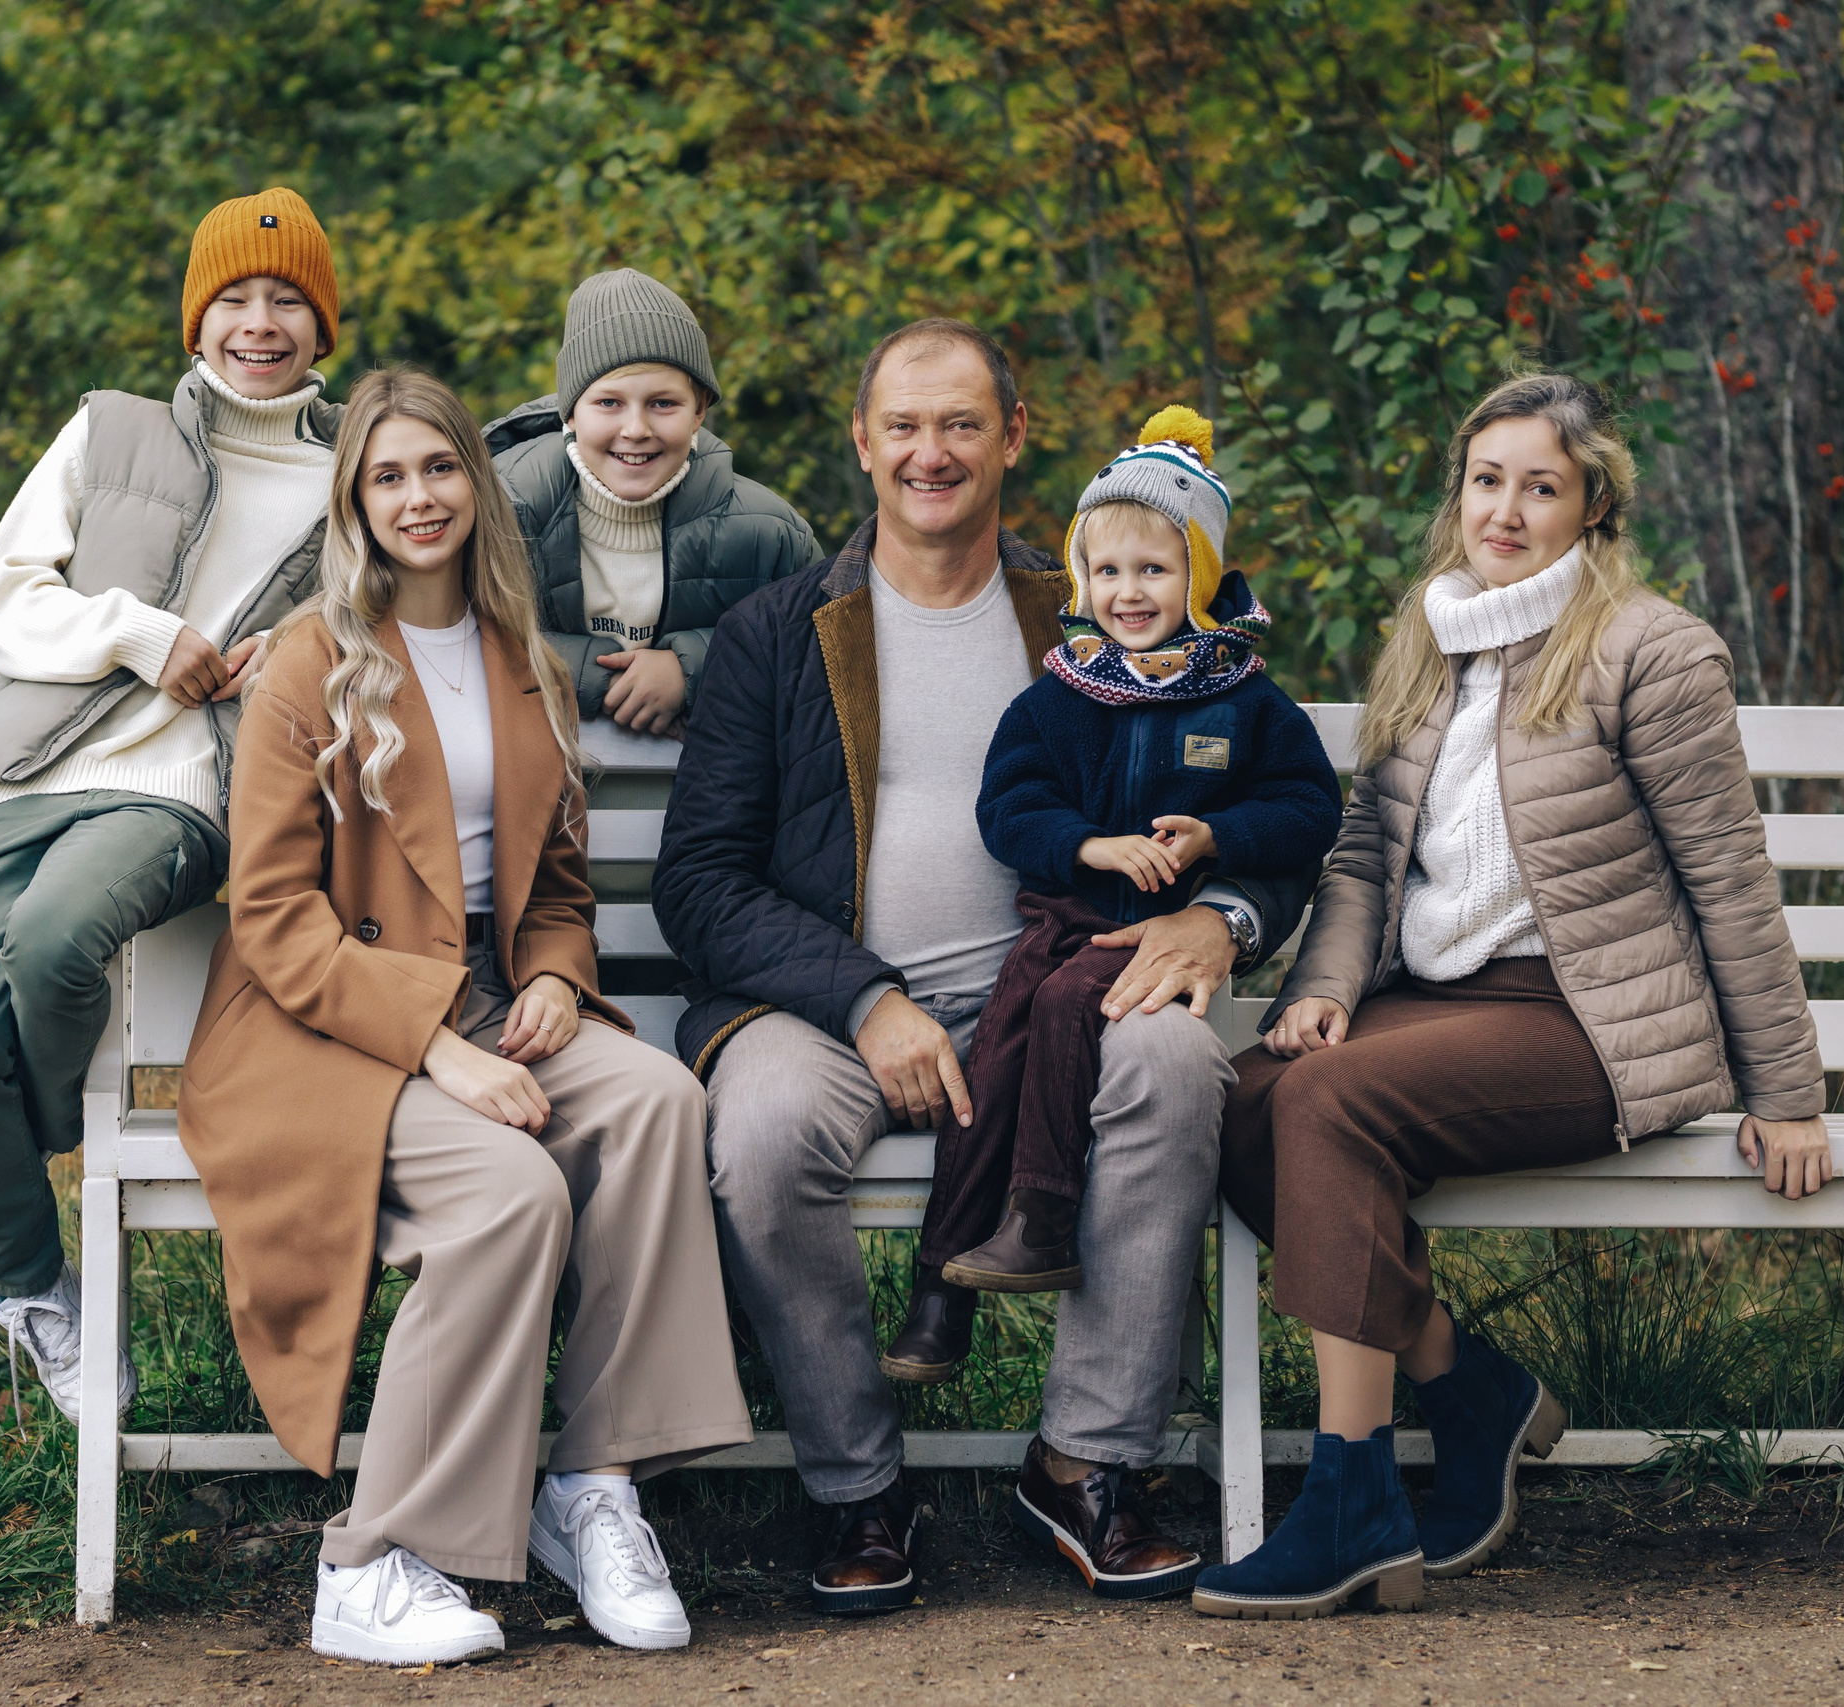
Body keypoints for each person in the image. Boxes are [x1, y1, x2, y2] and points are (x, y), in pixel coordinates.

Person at [655, 320, 1318, 1611]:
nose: (931, 452)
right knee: (769, 1129)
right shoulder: (778, 632)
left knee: (1175, 1063)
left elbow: (1272, 801)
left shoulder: (1109, 603)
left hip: (1064, 982)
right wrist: (866, 999)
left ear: (1013, 437)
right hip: (825, 1006)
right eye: (903, 425)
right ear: (862, 442)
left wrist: (1226, 919)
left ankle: (1085, 1462)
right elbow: (700, 880)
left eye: (961, 423)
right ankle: (857, 1486)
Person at [1195, 373, 1834, 1621]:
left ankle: (1351, 1500)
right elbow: (1365, 857)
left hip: (1583, 1021)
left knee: (1325, 1109)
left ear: (1591, 505)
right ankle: (1466, 1387)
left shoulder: (1651, 650)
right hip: (1432, 1005)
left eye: (1540, 487)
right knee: (1249, 1098)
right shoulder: (1430, 636)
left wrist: (1787, 1092)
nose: (1505, 509)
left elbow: (1727, 875)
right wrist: (1323, 991)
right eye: (1486, 480)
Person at [177, 366, 751, 1665]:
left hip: (493, 1004)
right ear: (354, 504)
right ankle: (370, 1557)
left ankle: (592, 1486)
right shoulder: (310, 665)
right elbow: (271, 916)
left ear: (477, 487)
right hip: (325, 1031)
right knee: (510, 1190)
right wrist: (437, 1046)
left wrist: (552, 975)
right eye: (387, 476)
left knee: (659, 1101)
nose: (419, 496)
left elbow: (554, 885)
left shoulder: (521, 657)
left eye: (439, 468)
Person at [0, 188, 345, 1423]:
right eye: (234, 300)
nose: (260, 323)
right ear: (197, 321)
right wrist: (139, 635)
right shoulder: (110, 430)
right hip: (35, 772)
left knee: (55, 934)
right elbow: (4, 596)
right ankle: (34, 1286)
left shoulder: (355, 469)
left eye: (287, 300)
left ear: (322, 324)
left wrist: (301, 649)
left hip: (184, 791)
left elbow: (383, 622)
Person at [887, 406, 1341, 1363]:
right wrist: (1088, 845)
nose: (1128, 592)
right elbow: (1008, 807)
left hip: (1161, 935)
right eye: (1107, 571)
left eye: (1155, 570)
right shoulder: (1061, 695)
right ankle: (942, 1282)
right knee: (991, 1060)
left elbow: (1308, 808)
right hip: (1067, 915)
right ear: (1081, 578)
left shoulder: (1243, 700)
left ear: (1200, 577)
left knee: (1065, 1005)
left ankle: (1042, 1219)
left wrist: (1219, 834)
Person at [484, 268, 817, 738]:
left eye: (663, 404)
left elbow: (815, 654)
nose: (636, 429)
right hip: (536, 777)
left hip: (707, 782)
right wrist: (600, 678)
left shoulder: (771, 532)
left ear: (699, 410)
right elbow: (452, 638)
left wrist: (692, 668)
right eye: (609, 403)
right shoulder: (499, 513)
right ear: (570, 412)